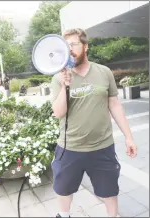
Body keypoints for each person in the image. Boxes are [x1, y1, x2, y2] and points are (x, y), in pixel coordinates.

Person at [51, 28, 137, 218]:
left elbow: (114, 105)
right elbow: (58, 113)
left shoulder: (104, 72)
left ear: (85, 46)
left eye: (73, 44)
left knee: (109, 191)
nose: (69, 49)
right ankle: (64, 215)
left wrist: (129, 137)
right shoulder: (58, 77)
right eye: (66, 46)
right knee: (63, 189)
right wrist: (65, 85)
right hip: (70, 147)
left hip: (102, 147)